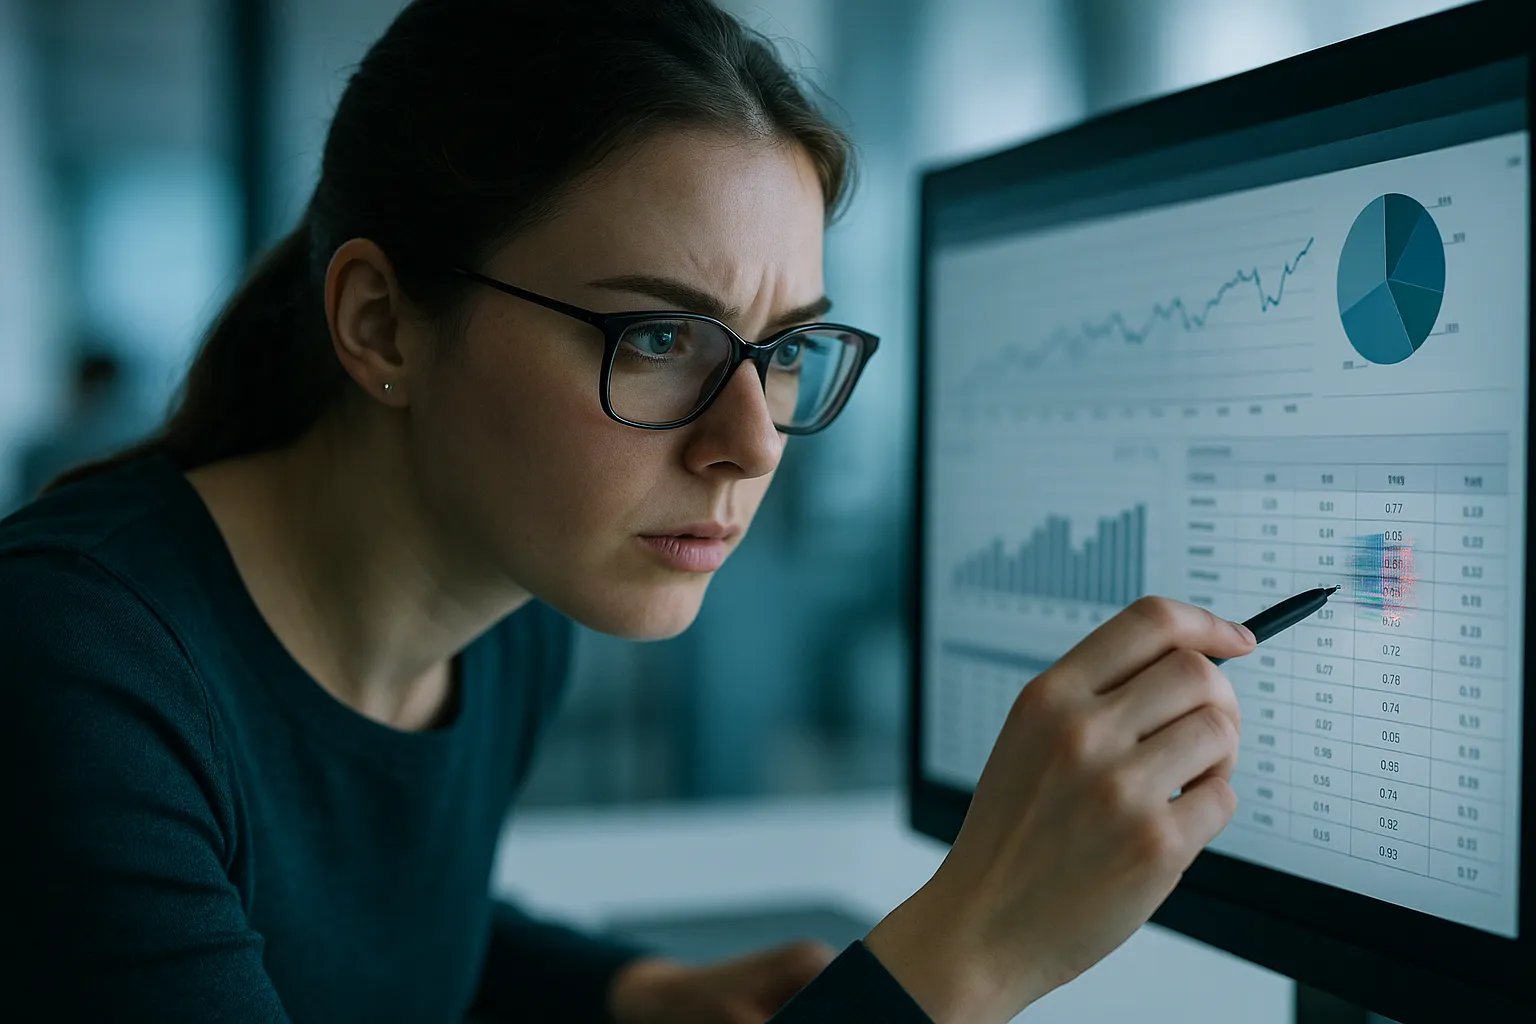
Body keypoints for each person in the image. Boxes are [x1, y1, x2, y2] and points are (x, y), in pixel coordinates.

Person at [0, 1, 1254, 1021]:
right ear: (382, 323)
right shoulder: (71, 673)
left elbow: (358, 934)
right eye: (659, 336)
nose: (751, 444)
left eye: (784, 349)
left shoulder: (508, 612)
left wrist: (625, 990)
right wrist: (963, 958)